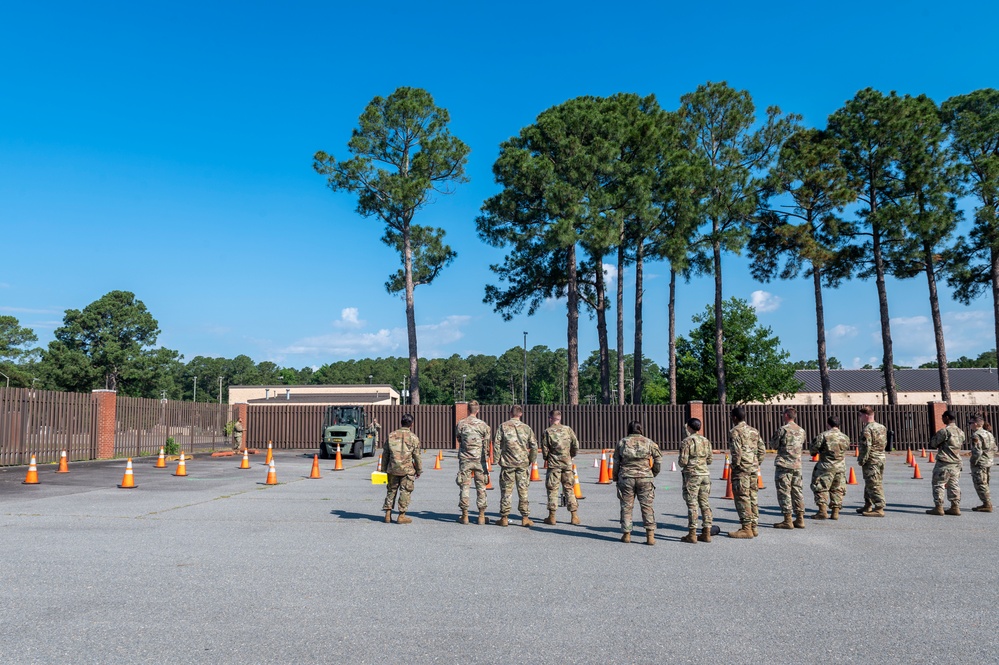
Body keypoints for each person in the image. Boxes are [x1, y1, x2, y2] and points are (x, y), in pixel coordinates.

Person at [613, 421, 662, 545]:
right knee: (647, 506)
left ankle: (626, 534)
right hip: (645, 477)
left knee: (626, 506)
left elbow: (616, 461)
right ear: (641, 429)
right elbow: (658, 459)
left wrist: (615, 477)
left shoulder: (622, 442)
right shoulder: (649, 442)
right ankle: (650, 536)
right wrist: (653, 472)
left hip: (626, 476)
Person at [494, 405, 538, 527]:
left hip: (507, 463)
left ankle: (504, 517)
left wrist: (497, 459)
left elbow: (497, 444)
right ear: (521, 414)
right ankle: (525, 517)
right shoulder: (526, 428)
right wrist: (531, 460)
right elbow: (534, 446)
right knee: (523, 490)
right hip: (522, 463)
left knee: (506, 490)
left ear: (510, 413)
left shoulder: (503, 426)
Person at [728, 406, 765, 539]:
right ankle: (754, 527)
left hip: (742, 469)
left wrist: (736, 465)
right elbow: (762, 449)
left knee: (742, 497)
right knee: (752, 496)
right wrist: (756, 462)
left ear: (735, 417)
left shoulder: (735, 431)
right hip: (753, 468)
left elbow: (736, 451)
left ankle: (746, 528)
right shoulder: (754, 431)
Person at [540, 409, 580, 526]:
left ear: (550, 418)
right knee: (569, 488)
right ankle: (574, 516)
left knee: (552, 489)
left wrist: (547, 458)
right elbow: (575, 445)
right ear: (560, 418)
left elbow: (544, 449)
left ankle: (552, 516)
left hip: (554, 465)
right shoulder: (568, 430)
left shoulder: (547, 431)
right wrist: (570, 455)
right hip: (567, 464)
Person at [380, 414, 422, 524]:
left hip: (393, 468)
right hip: (407, 470)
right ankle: (401, 515)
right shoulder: (414, 437)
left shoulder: (391, 435)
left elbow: (385, 454)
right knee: (405, 491)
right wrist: (419, 470)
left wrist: (383, 469)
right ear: (411, 424)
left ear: (401, 423)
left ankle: (388, 514)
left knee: (391, 490)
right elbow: (417, 456)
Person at [454, 400, 491, 525]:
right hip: (479, 460)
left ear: (468, 410)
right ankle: (481, 515)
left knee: (465, 486)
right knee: (481, 487)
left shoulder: (461, 423)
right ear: (478, 410)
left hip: (465, 460)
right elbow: (487, 444)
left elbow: (458, 437)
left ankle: (465, 515)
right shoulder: (483, 425)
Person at [770, 406, 806, 530]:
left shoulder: (783, 430)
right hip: (797, 465)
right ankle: (800, 518)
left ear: (786, 415)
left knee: (784, 491)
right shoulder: (801, 430)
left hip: (784, 465)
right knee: (797, 491)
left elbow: (774, 445)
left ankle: (787, 520)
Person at [678, 417, 713, 544]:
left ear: (689, 428)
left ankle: (692, 533)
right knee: (705, 503)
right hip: (705, 474)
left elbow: (683, 462)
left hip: (692, 475)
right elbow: (710, 460)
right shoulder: (706, 441)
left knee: (692, 504)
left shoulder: (687, 441)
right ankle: (707, 532)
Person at [809, 416, 850, 520]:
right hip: (840, 466)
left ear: (828, 424)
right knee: (838, 489)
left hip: (825, 466)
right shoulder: (845, 437)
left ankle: (822, 511)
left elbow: (813, 450)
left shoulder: (823, 435)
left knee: (821, 488)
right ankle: (835, 512)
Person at [926, 410, 965, 516]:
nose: (942, 419)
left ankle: (939, 507)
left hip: (944, 462)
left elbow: (934, 443)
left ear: (947, 417)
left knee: (939, 484)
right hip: (956, 463)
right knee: (954, 484)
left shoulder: (944, 431)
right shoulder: (961, 432)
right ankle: (955, 506)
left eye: (943, 417)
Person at [856, 406, 888, 517]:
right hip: (880, 457)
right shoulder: (881, 427)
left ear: (865, 415)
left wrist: (862, 459)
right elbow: (885, 443)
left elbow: (866, 446)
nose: (860, 418)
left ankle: (879, 508)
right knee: (870, 481)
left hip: (871, 459)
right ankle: (868, 504)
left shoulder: (867, 429)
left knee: (874, 483)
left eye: (860, 416)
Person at [970, 414, 996, 513]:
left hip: (980, 462)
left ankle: (987, 504)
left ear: (976, 424)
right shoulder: (988, 434)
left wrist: (973, 462)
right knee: (985, 483)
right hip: (988, 461)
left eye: (971, 423)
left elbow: (977, 451)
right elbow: (995, 448)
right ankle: (986, 503)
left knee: (980, 483)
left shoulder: (976, 435)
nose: (970, 425)